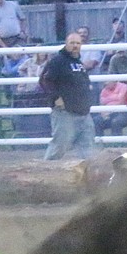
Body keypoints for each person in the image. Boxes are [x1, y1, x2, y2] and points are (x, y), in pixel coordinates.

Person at [41, 31, 95, 160]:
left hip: (83, 112)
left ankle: (88, 175)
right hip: (65, 112)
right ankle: (45, 172)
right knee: (60, 145)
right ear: (66, 44)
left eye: (78, 43)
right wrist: (56, 97)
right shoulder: (58, 61)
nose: (75, 45)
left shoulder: (78, 63)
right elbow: (45, 80)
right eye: (72, 43)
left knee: (87, 146)